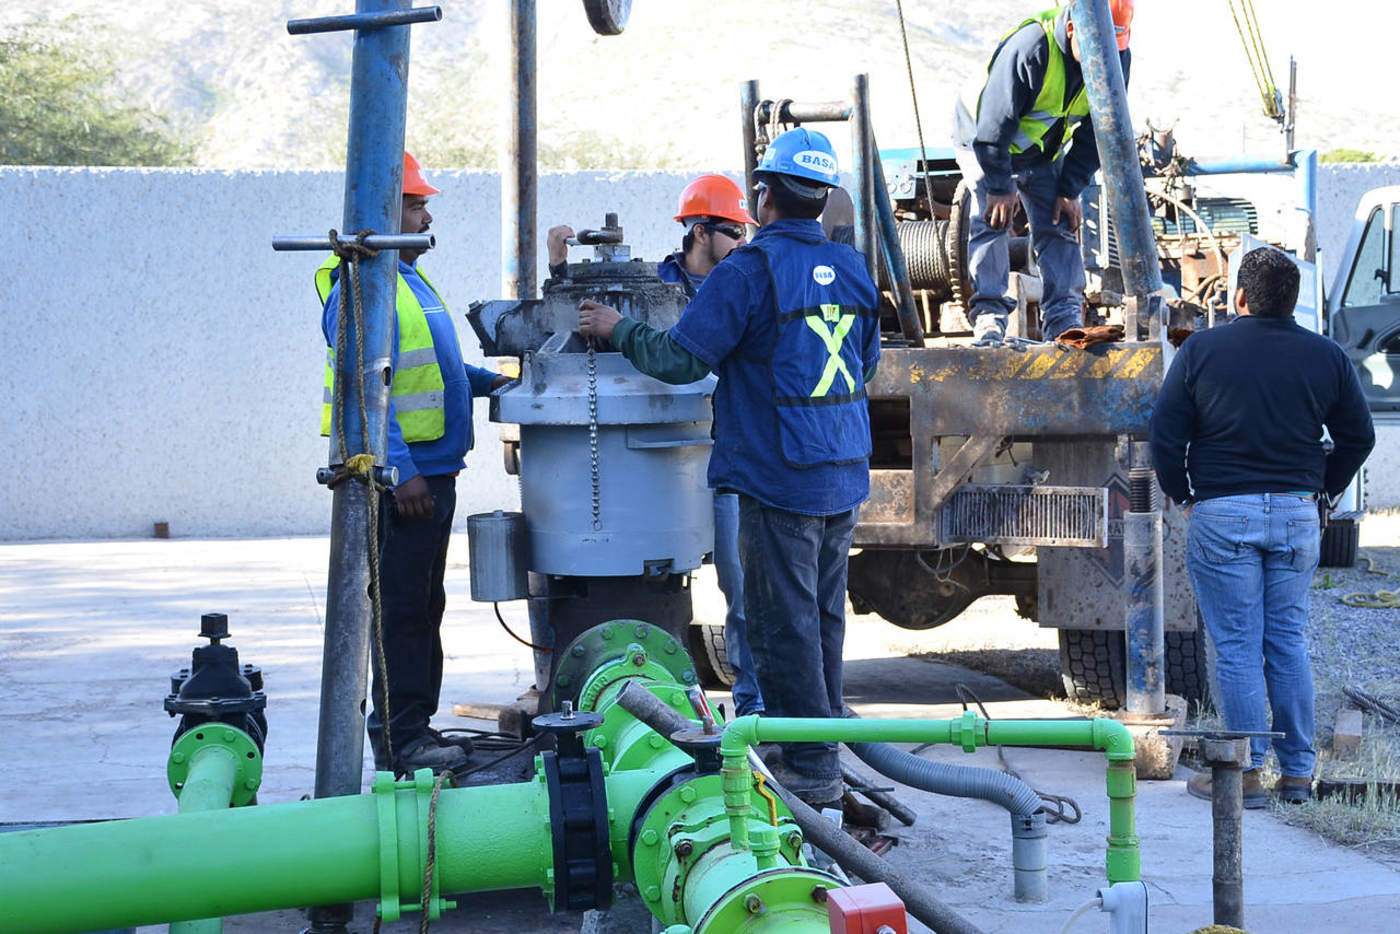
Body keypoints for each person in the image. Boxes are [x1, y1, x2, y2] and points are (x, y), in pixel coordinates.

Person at [577, 128, 881, 807]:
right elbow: (866, 364)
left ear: (765, 196)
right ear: (823, 198)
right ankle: (817, 744)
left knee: (781, 625)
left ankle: (809, 769)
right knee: (822, 619)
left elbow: (680, 359)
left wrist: (617, 330)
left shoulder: (747, 272)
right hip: (842, 468)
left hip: (779, 475)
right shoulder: (853, 267)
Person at [1150, 247, 1375, 806]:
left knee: (1236, 646)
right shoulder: (1326, 355)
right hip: (1298, 512)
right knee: (1288, 641)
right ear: (1293, 301)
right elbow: (1359, 437)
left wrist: (1183, 495)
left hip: (1223, 511)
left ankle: (1246, 772)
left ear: (1240, 297)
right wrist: (1323, 491)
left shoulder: (1201, 349)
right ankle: (1297, 773)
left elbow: (1165, 435)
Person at [317, 151, 511, 775]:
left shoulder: (408, 280)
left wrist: (499, 383)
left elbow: (437, 371)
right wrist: (401, 473)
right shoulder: (362, 289)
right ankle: (402, 743)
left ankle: (415, 729)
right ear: (383, 212)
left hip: (433, 474)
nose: (427, 217)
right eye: (416, 205)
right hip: (403, 483)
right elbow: (363, 388)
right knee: (400, 612)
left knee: (424, 608)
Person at [546, 176, 766, 719]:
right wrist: (559, 271)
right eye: (732, 229)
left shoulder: (745, 283)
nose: (742, 240)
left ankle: (753, 706)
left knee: (744, 590)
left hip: (726, 449)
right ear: (699, 230)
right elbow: (586, 324)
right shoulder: (653, 286)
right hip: (664, 458)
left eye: (744, 230)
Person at [953, 0, 1134, 345]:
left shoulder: (1116, 59)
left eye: (1111, 50)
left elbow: (1100, 133)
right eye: (1095, 49)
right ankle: (990, 319)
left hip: (1040, 151)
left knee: (1059, 221)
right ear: (1072, 30)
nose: (1102, 61)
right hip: (983, 138)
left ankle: (1064, 321)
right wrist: (999, 186)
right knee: (993, 219)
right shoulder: (1033, 47)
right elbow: (994, 123)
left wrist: (1069, 190)